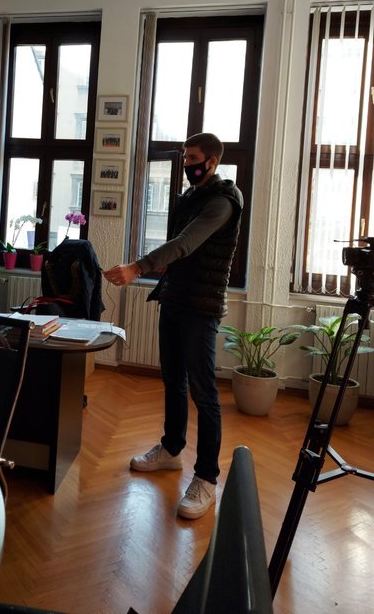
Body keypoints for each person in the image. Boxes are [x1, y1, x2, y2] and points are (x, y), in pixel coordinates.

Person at [103, 133, 243, 520]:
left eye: (193, 158)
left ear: (212, 161)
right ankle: (171, 450)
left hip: (202, 308)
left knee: (205, 394)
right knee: (173, 381)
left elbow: (186, 242)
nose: (187, 164)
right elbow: (177, 252)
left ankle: (207, 479)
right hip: (175, 300)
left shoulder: (223, 201)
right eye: (185, 157)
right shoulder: (189, 198)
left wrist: (138, 267)